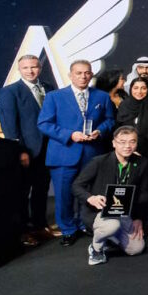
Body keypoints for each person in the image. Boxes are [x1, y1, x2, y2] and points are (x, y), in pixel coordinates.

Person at [38, 60, 114, 246]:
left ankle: (84, 223)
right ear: (70, 75)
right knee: (63, 194)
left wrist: (100, 131)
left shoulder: (102, 96)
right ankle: (68, 229)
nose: (83, 76)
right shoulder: (54, 97)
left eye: (87, 73)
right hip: (64, 153)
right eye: (78, 73)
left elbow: (110, 120)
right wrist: (70, 135)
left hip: (92, 153)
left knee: (88, 192)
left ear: (91, 74)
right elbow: (44, 124)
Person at [0, 54, 55, 245]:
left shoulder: (49, 88)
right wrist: (19, 151)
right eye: (26, 68)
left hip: (48, 148)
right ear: (19, 70)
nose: (30, 71)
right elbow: (9, 126)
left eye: (34, 67)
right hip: (26, 151)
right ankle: (22, 231)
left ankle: (39, 225)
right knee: (22, 192)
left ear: (40, 68)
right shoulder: (10, 92)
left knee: (41, 188)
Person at [72, 126, 148, 265]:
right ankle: (96, 248)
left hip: (125, 213)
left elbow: (144, 193)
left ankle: (110, 237)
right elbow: (76, 186)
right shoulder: (99, 161)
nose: (127, 146)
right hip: (100, 212)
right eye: (122, 142)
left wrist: (138, 218)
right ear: (114, 143)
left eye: (132, 142)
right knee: (112, 225)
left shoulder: (141, 163)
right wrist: (91, 198)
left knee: (137, 248)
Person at [115, 78, 148, 174]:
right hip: (127, 151)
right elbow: (119, 129)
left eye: (143, 88)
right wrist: (131, 150)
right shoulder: (124, 106)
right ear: (131, 89)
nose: (139, 91)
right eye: (136, 88)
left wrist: (142, 152)